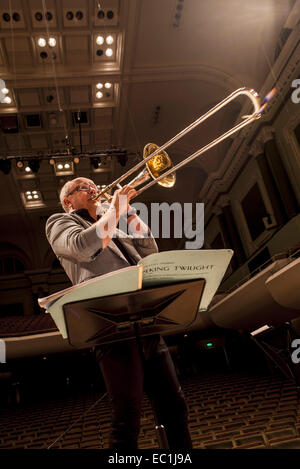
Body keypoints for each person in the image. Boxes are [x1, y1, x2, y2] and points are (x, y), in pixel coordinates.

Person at [46, 176, 192, 449]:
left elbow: (149, 252)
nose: (93, 189)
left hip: (146, 320)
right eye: (83, 187)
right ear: (68, 201)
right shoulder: (60, 222)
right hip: (111, 326)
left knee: (175, 407)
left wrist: (130, 214)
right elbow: (82, 247)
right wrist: (114, 211)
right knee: (127, 419)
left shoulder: (113, 223)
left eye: (93, 184)